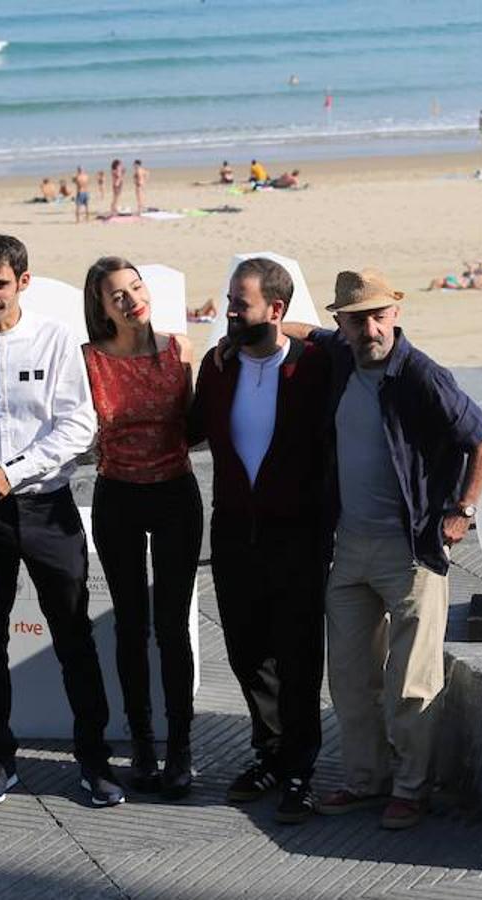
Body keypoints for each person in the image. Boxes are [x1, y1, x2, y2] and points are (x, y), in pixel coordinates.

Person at [278, 270, 482, 831]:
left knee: (411, 681)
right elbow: (302, 331)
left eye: (379, 315)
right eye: (358, 319)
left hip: (410, 550)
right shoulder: (343, 355)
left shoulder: (422, 375)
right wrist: (262, 325)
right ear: (343, 324)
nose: (371, 327)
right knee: (350, 679)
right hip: (348, 549)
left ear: (395, 315)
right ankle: (365, 779)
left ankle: (409, 788)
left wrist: (463, 511)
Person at [0, 234, 124, 808]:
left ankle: (94, 762)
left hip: (47, 506)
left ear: (23, 281)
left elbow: (77, 427)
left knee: (72, 636)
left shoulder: (55, 338)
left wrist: (13, 472)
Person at [191, 258, 332, 825]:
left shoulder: (315, 367)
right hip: (231, 532)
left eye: (240, 302)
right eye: (228, 298)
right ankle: (270, 754)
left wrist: (304, 330)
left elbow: (378, 346)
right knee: (248, 650)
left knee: (299, 654)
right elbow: (191, 428)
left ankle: (301, 768)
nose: (228, 310)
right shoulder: (217, 365)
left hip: (298, 533)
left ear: (276, 310)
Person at [81, 257, 201, 800]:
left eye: (135, 287)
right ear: (102, 308)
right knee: (131, 626)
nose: (131, 299)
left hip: (177, 493)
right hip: (118, 497)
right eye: (117, 295)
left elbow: (199, 422)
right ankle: (143, 745)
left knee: (173, 627)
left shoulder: (182, 350)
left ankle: (181, 749)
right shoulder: (88, 360)